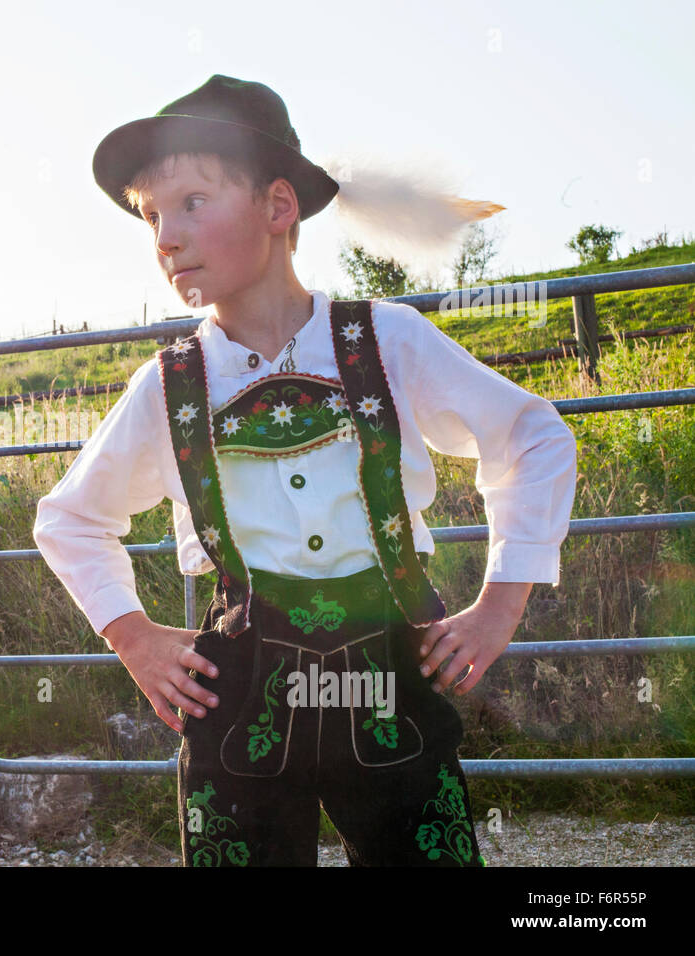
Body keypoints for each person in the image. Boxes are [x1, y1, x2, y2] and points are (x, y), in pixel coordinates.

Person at [32, 75, 577, 866]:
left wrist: (499, 603)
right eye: (151, 216)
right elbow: (70, 517)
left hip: (391, 665)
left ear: (279, 207)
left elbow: (533, 436)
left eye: (190, 203)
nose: (164, 237)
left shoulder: (384, 339)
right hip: (243, 681)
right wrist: (134, 638)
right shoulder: (169, 382)